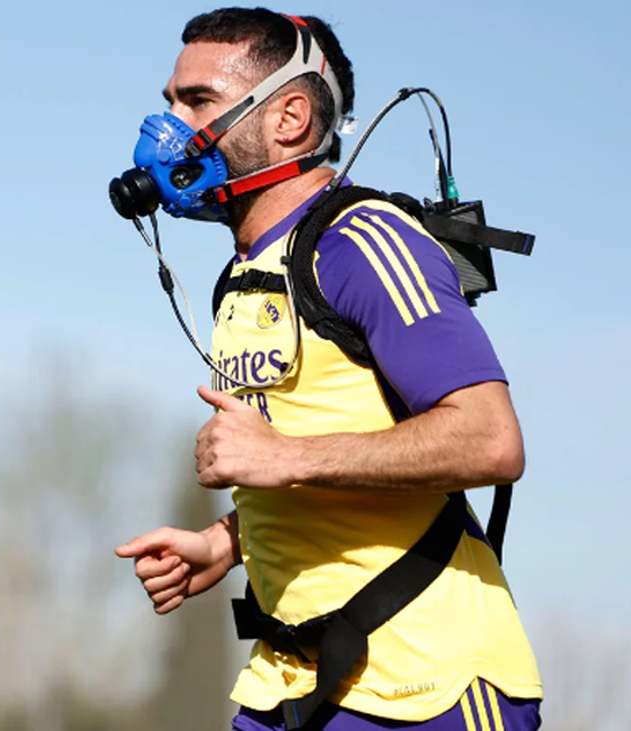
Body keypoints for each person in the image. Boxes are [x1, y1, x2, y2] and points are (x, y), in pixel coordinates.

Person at [112, 8, 543, 731]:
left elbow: (490, 440)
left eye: (198, 101)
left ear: (289, 117)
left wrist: (284, 457)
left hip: (426, 685)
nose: (170, 128)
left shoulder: (363, 242)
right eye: (170, 103)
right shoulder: (246, 273)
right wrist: (227, 541)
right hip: (290, 684)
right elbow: (327, 446)